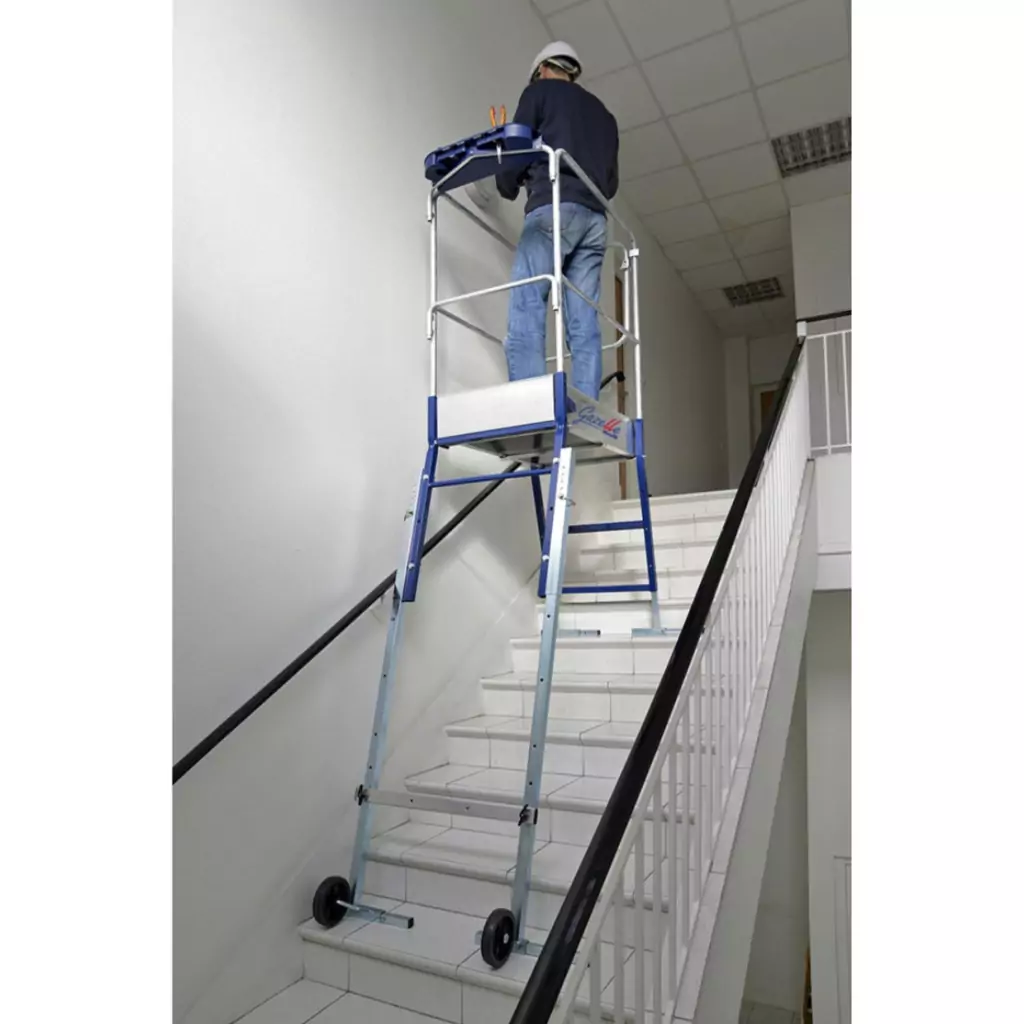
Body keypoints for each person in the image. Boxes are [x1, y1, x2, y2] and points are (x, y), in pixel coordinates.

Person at [495, 42, 619, 400]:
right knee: (583, 319)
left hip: (553, 207)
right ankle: (588, 404)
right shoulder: (605, 117)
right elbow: (611, 183)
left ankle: (529, 401)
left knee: (528, 301)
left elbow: (516, 151)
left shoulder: (539, 93)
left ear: (542, 70)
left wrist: (506, 181)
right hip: (595, 219)